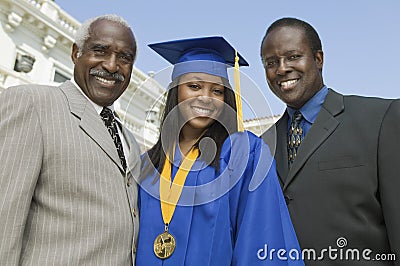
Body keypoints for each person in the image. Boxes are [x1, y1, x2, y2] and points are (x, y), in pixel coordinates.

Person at [136, 36, 304, 266]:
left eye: (217, 91)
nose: (206, 98)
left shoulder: (243, 154)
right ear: (176, 91)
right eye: (194, 86)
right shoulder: (146, 165)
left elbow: (261, 240)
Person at [0, 15, 140, 265]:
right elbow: (4, 218)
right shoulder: (32, 103)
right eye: (100, 51)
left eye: (124, 58)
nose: (111, 65)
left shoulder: (128, 139)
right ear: (76, 53)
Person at [260, 17, 400, 265]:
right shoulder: (262, 146)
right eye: (271, 63)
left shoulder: (380, 119)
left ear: (319, 59)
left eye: (293, 57)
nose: (281, 69)